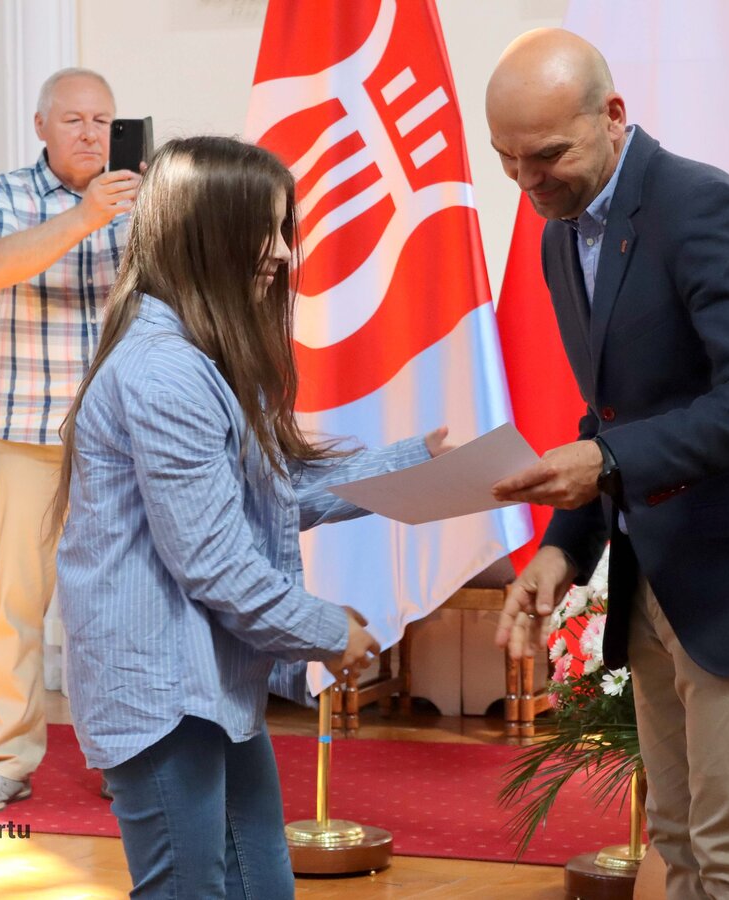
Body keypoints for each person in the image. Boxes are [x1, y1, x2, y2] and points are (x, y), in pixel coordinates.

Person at [486, 29, 729, 900]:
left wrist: (605, 458)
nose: (527, 181)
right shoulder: (561, 233)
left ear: (613, 115)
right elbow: (613, 414)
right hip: (658, 571)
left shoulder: (698, 205)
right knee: (681, 840)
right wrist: (563, 548)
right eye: (507, 158)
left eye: (547, 155)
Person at [52, 135, 451, 899]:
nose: (282, 252)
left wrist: (413, 466)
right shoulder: (166, 371)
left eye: (282, 229)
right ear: (205, 235)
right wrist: (328, 630)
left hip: (205, 677)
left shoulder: (195, 356)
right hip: (161, 686)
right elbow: (215, 561)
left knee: (262, 882)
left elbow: (265, 497)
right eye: (263, 230)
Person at [0, 67, 142, 815]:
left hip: (122, 439)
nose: (90, 134)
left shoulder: (142, 199)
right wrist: (86, 217)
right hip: (29, 430)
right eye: (73, 120)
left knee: (117, 608)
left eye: (103, 120)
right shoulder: (3, 193)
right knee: (16, 606)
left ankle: (127, 759)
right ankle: (6, 762)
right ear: (41, 126)